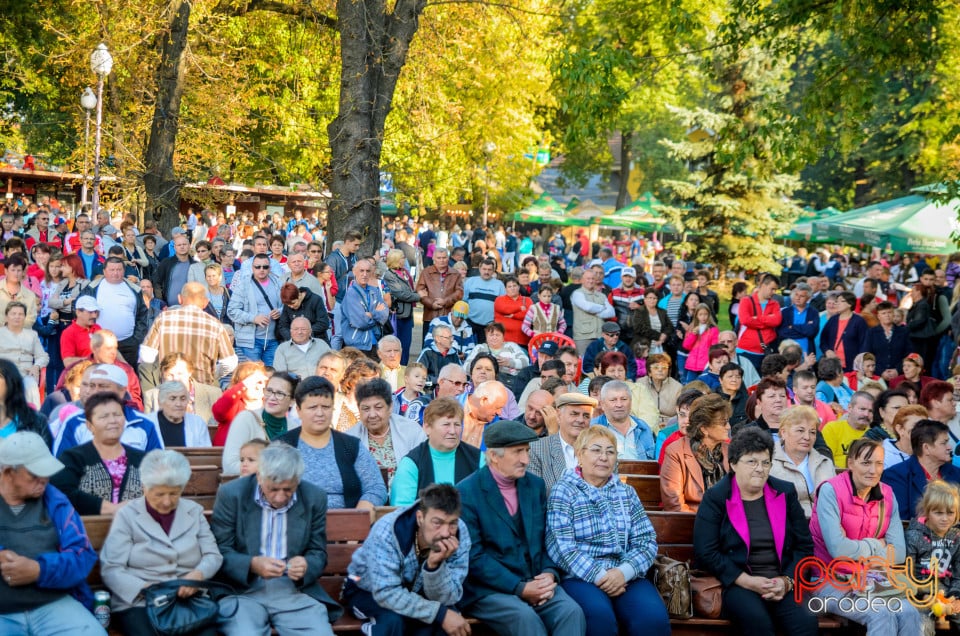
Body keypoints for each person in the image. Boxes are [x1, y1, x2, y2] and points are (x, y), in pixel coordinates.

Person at [458, 420, 587, 636]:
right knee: (525, 620)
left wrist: (549, 572)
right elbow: (474, 557)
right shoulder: (466, 492)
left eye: (527, 451)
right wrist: (520, 588)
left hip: (534, 578)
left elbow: (548, 538)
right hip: (489, 588)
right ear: (493, 456)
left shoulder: (534, 485)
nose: (526, 459)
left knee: (570, 612)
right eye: (518, 452)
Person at [545, 425, 670, 636]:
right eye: (596, 450)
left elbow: (646, 541)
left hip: (626, 574)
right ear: (580, 455)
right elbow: (562, 546)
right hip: (581, 576)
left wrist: (623, 572)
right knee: (599, 619)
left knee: (652, 620)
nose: (604, 457)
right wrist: (602, 576)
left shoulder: (626, 492)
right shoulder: (564, 490)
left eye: (610, 451)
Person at [693, 427, 818, 636]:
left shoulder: (785, 492)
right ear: (733, 464)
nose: (760, 469)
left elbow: (804, 547)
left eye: (765, 462)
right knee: (759, 626)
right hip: (738, 583)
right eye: (751, 461)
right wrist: (746, 581)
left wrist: (787, 582)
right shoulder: (717, 497)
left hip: (782, 582)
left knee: (805, 625)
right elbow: (706, 552)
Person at [210, 442, 340, 636]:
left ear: (298, 480)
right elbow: (220, 551)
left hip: (292, 591)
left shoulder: (314, 497)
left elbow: (318, 551)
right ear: (259, 477)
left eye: (288, 489)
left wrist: (306, 564)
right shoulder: (232, 494)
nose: (280, 497)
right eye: (273, 489)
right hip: (242, 591)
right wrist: (252, 564)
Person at [99, 449, 223, 636]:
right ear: (144, 487)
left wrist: (198, 575)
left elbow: (213, 555)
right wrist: (145, 588)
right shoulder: (127, 515)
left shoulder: (194, 511)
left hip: (189, 599)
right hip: (141, 603)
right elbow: (112, 568)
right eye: (159, 494)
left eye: (174, 494)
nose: (167, 502)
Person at [809, 438, 923, 633]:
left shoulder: (887, 494)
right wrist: (877, 545)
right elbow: (838, 550)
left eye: (879, 463)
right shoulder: (831, 490)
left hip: (874, 581)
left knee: (910, 612)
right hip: (831, 580)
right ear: (850, 463)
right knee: (881, 613)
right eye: (866, 463)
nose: (873, 470)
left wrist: (855, 547)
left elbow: (898, 554)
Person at [0, 431, 103, 634]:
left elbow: (82, 555)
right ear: (8, 472)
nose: (44, 480)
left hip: (52, 603)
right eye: (34, 474)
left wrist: (39, 570)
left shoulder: (55, 501)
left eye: (46, 473)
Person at [342, 483, 471, 636]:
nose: (445, 532)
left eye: (452, 523)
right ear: (420, 518)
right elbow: (386, 593)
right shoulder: (387, 531)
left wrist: (434, 568)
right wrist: (439, 614)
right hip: (367, 589)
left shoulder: (460, 532)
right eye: (437, 522)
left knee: (446, 626)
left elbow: (450, 597)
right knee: (392, 621)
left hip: (418, 594)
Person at [277, 376, 387, 509]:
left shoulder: (350, 446)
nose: (320, 413)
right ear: (299, 411)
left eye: (326, 407)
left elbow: (376, 487)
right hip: (295, 523)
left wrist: (360, 514)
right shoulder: (281, 446)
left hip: (346, 523)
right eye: (312, 407)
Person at [51, 392, 145, 515]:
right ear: (89, 425)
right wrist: (108, 508)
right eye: (104, 417)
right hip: (87, 531)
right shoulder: (73, 458)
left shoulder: (142, 459)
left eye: (117, 415)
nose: (112, 421)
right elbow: (61, 491)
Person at [139, 281, 238, 388]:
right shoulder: (215, 325)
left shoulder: (163, 319)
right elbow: (230, 362)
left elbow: (146, 355)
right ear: (205, 302)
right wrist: (213, 374)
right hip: (203, 389)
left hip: (170, 388)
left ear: (180, 299)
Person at [53, 364, 163, 456]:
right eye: (92, 386)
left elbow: (158, 470)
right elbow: (59, 472)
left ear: (122, 391)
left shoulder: (144, 424)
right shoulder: (74, 423)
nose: (95, 391)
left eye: (102, 386)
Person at [391, 398, 481, 506]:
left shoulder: (478, 459)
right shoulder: (411, 463)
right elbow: (402, 510)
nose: (453, 431)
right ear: (427, 427)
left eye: (457, 424)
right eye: (446, 425)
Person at [904, 480, 960, 635]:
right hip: (921, 595)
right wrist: (924, 595)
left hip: (948, 594)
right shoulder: (914, 536)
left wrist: (956, 597)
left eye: (950, 513)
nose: (945, 518)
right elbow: (906, 574)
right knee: (921, 626)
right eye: (938, 513)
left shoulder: (957, 537)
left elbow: (958, 573)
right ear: (927, 512)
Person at [345, 378, 427, 483]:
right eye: (366, 409)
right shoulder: (349, 439)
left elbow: (425, 471)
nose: (372, 415)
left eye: (378, 407)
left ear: (390, 407)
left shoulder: (412, 431)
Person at [660, 393, 731, 512]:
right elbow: (674, 504)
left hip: (727, 522)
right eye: (723, 423)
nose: (728, 427)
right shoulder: (676, 452)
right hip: (692, 522)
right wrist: (706, 524)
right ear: (704, 428)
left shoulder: (730, 451)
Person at [222, 372, 299, 475]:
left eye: (280, 394)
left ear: (292, 401)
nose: (272, 397)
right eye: (269, 391)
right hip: (249, 488)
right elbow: (229, 465)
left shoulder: (295, 428)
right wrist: (270, 473)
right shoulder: (245, 419)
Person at [882, 419, 960, 521]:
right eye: (944, 443)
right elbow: (901, 520)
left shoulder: (956, 473)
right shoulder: (896, 476)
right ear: (926, 448)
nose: (949, 447)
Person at [769, 406, 836, 518]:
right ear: (784, 432)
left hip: (822, 526)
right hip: (785, 526)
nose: (807, 437)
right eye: (800, 430)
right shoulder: (768, 462)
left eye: (812, 432)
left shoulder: (825, 463)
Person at [528, 393, 597, 494]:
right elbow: (534, 496)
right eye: (574, 414)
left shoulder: (600, 451)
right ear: (559, 416)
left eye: (586, 416)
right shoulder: (537, 449)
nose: (581, 420)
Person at [228, 253, 283, 365]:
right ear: (252, 268)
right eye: (258, 267)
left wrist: (280, 312)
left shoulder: (278, 283)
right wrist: (253, 318)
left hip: (273, 339)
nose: (261, 270)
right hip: (250, 342)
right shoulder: (243, 285)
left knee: (272, 376)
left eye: (265, 267)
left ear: (270, 268)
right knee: (251, 377)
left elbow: (287, 305)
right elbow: (232, 311)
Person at [591, 380, 656, 460]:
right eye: (613, 400)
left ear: (631, 402)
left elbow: (652, 464)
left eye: (624, 399)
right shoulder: (591, 429)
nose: (619, 404)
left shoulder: (643, 428)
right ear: (602, 404)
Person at [0, 302, 48, 406]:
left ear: (25, 317)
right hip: (3, 374)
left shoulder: (32, 335)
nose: (17, 317)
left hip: (25, 374)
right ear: (7, 316)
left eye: (20, 314)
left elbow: (43, 356)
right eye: (13, 314)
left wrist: (36, 366)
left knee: (30, 386)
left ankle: (32, 419)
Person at [210, 361, 268, 446]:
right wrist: (245, 384)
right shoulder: (234, 405)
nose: (258, 386)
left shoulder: (269, 407)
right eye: (252, 382)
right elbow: (219, 411)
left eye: (260, 382)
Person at [417, 248, 464, 346]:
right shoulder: (426, 273)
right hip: (430, 315)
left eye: (444, 257)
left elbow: (459, 292)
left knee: (447, 344)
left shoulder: (455, 274)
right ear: (434, 258)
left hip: (449, 316)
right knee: (429, 344)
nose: (442, 260)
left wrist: (445, 301)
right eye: (439, 258)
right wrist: (431, 303)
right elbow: (420, 291)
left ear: (448, 258)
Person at [380, 249, 420, 363]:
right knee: (396, 345)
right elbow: (401, 294)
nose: (405, 259)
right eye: (403, 257)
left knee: (406, 346)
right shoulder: (389, 275)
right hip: (397, 315)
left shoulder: (405, 272)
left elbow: (409, 291)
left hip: (407, 314)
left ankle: (403, 369)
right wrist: (418, 296)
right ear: (396, 259)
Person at [145, 380, 212, 448]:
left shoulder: (197, 423)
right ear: (160, 402)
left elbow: (205, 455)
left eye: (183, 399)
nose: (178, 404)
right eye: (172, 399)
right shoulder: (147, 423)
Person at [570, 269, 615, 354]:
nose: (590, 281)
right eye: (588, 278)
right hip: (583, 337)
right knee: (584, 363)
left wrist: (596, 312)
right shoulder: (577, 294)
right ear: (582, 280)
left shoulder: (601, 295)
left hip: (600, 335)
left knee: (600, 362)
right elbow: (587, 307)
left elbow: (612, 312)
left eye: (593, 279)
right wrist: (603, 307)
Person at [636, 353, 682, 427]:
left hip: (669, 426)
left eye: (664, 367)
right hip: (645, 425)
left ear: (668, 371)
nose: (660, 370)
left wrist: (669, 424)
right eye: (656, 367)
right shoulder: (640, 384)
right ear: (649, 372)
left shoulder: (677, 387)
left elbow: (681, 413)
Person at [883, 404, 929, 469]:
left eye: (926, 425)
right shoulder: (882, 456)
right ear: (900, 429)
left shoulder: (930, 453)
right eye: (917, 425)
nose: (923, 430)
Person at [494, 275, 534, 347]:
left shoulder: (527, 300)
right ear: (505, 288)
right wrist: (520, 308)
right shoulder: (499, 299)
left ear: (519, 287)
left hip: (523, 341)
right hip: (503, 341)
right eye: (509, 286)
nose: (512, 288)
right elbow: (505, 309)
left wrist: (513, 315)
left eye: (514, 286)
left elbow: (529, 314)